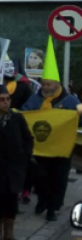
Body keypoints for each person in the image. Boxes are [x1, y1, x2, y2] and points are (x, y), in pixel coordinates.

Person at [20, 39, 82, 222]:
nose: (45, 87)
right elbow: (25, 114)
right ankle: (42, 201)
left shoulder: (70, 100)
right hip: (40, 149)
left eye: (49, 84)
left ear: (57, 84)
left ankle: (53, 208)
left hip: (62, 150)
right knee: (40, 179)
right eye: (44, 84)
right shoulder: (35, 99)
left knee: (59, 180)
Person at [0, 87, 32, 240]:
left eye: (7, 99)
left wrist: (24, 156)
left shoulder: (16, 118)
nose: (6, 102)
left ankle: (9, 232)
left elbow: (28, 138)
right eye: (1, 99)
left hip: (14, 167)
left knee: (11, 199)